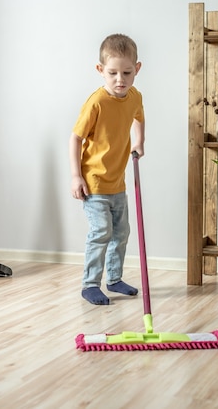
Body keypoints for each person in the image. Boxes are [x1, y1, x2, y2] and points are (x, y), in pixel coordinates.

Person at [69, 33, 145, 305]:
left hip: (118, 183)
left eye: (126, 72)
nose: (120, 80)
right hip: (94, 182)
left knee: (121, 233)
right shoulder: (97, 102)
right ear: (100, 71)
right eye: (112, 73)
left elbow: (138, 118)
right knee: (101, 232)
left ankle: (114, 279)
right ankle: (90, 284)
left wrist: (139, 142)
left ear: (137, 69)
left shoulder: (134, 96)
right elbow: (75, 138)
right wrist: (76, 176)